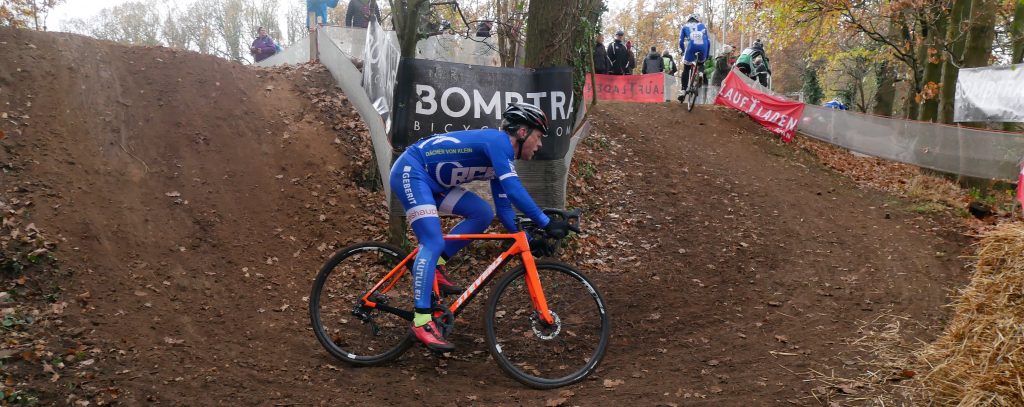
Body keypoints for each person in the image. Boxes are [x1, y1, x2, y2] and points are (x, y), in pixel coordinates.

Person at [388, 103, 569, 352]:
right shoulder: (498, 143)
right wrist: (546, 223)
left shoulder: (501, 159)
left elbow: (504, 209)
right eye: (538, 137)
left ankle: (435, 263)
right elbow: (515, 191)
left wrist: (528, 238)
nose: (539, 145)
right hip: (412, 171)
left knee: (482, 212)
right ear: (523, 132)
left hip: (433, 184)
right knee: (432, 241)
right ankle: (421, 321)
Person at [678, 13, 711, 100]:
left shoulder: (685, 27)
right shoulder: (703, 26)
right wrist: (706, 56)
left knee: (686, 69)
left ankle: (683, 90)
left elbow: (681, 41)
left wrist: (682, 51)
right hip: (703, 47)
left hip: (691, 47)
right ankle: (700, 74)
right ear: (697, 20)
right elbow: (709, 42)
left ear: (689, 19)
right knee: (701, 64)